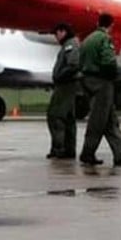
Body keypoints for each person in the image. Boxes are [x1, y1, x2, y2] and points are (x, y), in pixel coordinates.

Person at [78, 14, 121, 166]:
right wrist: (114, 76)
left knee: (110, 120)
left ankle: (120, 156)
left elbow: (80, 61)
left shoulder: (88, 39)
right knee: (98, 120)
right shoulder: (104, 39)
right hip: (102, 83)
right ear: (111, 25)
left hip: (88, 80)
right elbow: (108, 61)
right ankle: (87, 153)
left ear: (97, 23)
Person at [46, 23, 80, 159]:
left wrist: (59, 76)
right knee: (68, 118)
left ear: (63, 32)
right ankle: (68, 150)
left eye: (57, 33)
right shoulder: (69, 44)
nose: (56, 37)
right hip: (69, 85)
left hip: (65, 85)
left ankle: (59, 149)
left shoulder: (70, 45)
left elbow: (73, 65)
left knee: (56, 116)